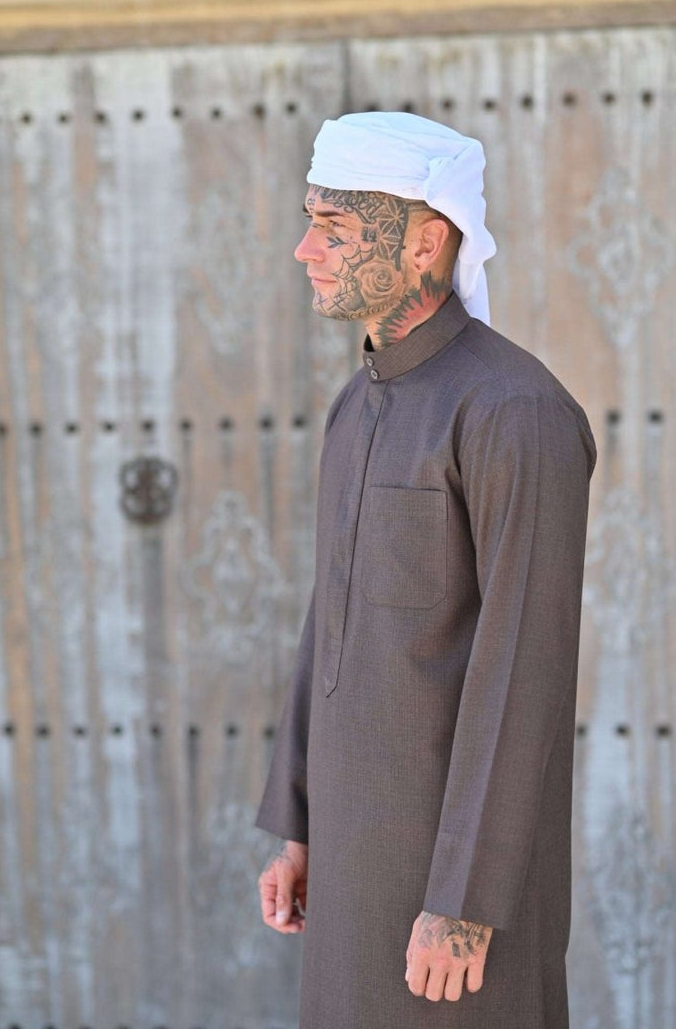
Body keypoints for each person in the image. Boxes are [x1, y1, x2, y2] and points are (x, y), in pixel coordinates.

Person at [255, 111, 596, 1029]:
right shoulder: (353, 405)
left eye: (334, 227)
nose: (305, 250)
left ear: (424, 242)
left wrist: (464, 900)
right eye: (310, 221)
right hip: (351, 869)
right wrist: (300, 826)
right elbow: (330, 625)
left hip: (451, 895)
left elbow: (524, 667)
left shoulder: (513, 411)